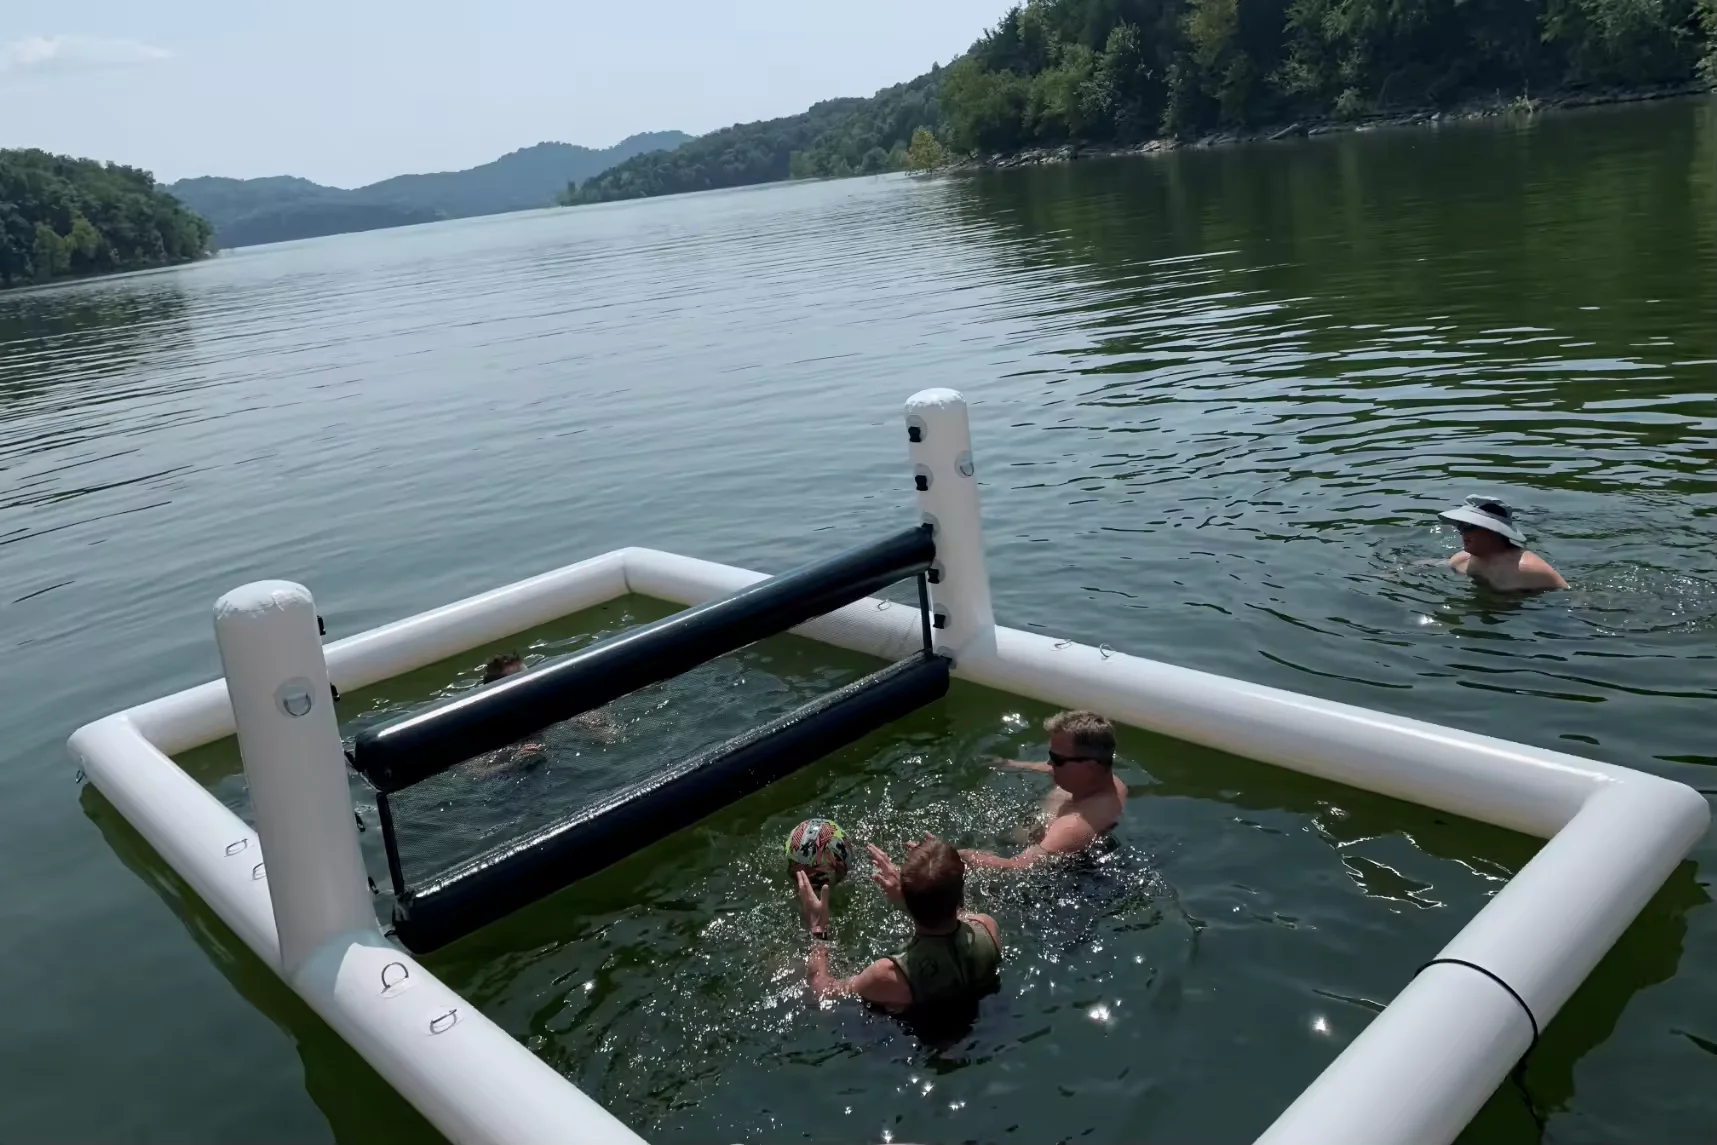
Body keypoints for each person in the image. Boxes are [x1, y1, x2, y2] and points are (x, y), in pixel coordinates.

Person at [794, 834, 1002, 1017]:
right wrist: (942, 868)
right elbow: (956, 913)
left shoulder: (889, 975)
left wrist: (818, 929)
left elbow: (823, 990)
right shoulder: (987, 928)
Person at [963, 709, 1127, 871]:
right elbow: (1055, 766)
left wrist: (961, 856)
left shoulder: (1074, 826)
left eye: (1057, 759)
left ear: (1091, 766)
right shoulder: (1105, 779)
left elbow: (1018, 867)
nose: (1049, 764)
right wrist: (1010, 764)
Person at [1439, 496, 1567, 591]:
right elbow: (1438, 565)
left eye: (1468, 526)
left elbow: (1569, 596)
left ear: (1493, 530)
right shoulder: (1463, 559)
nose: (1461, 532)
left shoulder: (1527, 569)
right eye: (1460, 526)